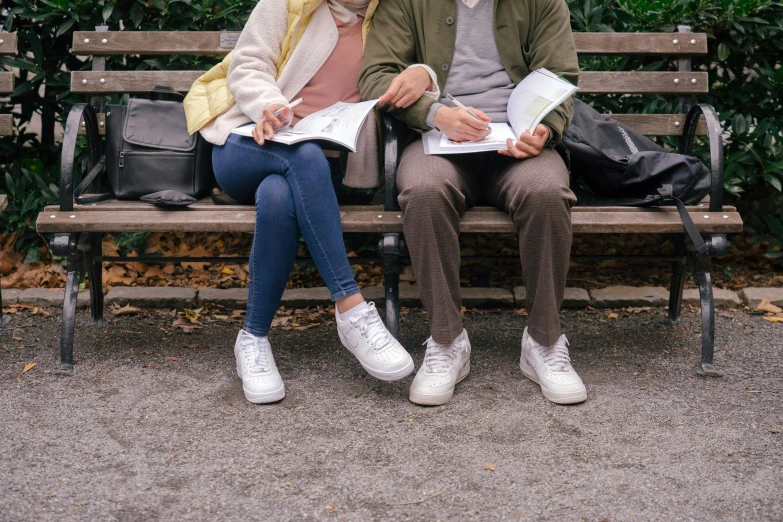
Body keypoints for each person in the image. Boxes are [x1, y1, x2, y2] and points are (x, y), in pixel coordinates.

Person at [184, 0, 435, 404]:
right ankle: (351, 308)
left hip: (318, 169)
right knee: (302, 157)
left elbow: (425, 68)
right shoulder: (288, 4)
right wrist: (269, 105)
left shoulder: (389, 17)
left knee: (278, 196)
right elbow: (248, 63)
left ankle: (253, 339)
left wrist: (423, 73)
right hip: (250, 142)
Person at [359, 0, 587, 405]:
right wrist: (434, 114)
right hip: (437, 144)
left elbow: (560, 75)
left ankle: (544, 341)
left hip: (517, 144)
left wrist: (545, 128)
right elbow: (376, 75)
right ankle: (447, 342)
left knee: (548, 192)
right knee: (424, 191)